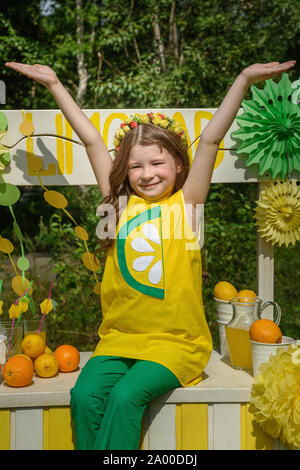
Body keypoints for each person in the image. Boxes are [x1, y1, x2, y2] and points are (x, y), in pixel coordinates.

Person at [5, 59, 296, 450]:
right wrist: (55, 83)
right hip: (119, 340)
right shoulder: (118, 204)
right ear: (125, 171)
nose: (147, 173)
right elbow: (91, 139)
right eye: (136, 166)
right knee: (85, 395)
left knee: (126, 397)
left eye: (157, 162)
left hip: (177, 344)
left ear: (178, 164)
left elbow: (209, 139)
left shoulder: (187, 205)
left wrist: (243, 79)